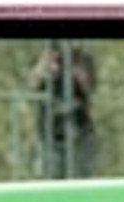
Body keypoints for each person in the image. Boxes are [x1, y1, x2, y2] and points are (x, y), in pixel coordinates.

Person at [29, 42, 96, 179]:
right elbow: (33, 84)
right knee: (49, 177)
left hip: (79, 131)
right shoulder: (46, 58)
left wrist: (73, 66)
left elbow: (89, 88)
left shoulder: (84, 59)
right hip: (50, 132)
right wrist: (47, 63)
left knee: (79, 177)